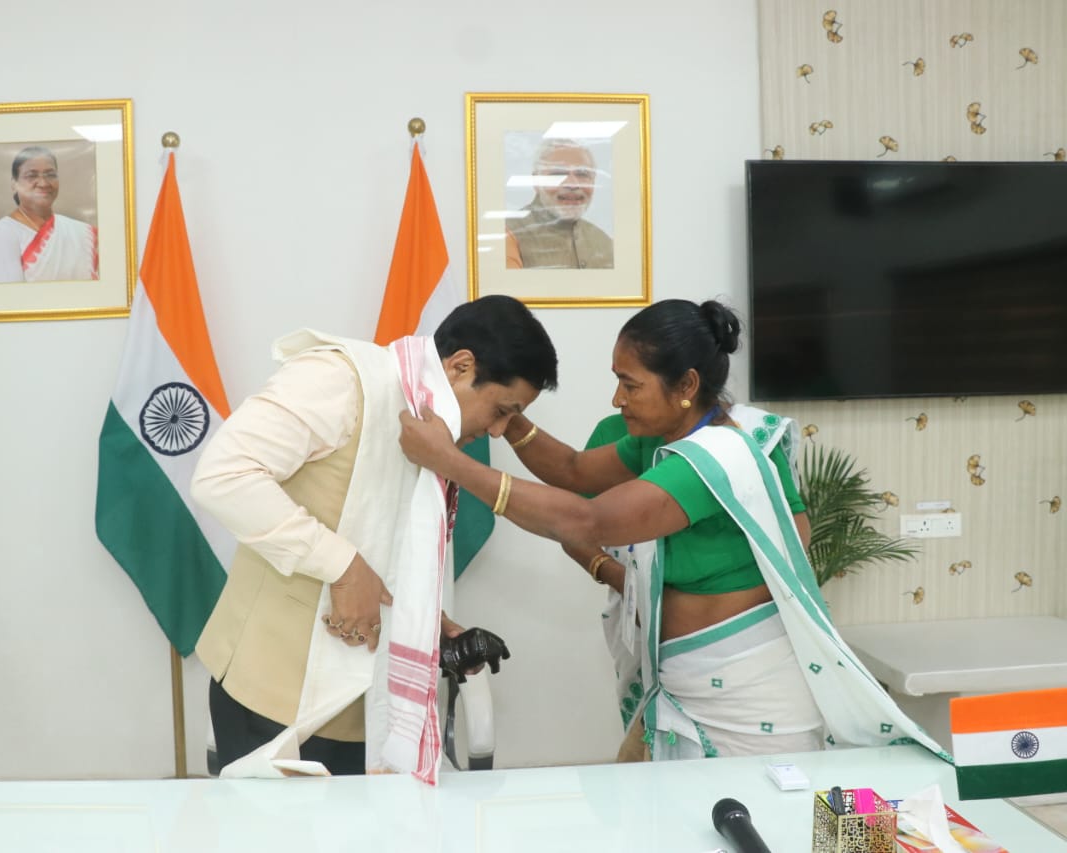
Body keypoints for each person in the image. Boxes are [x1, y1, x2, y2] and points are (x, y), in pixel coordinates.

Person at [399, 298, 947, 762]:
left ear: (685, 384)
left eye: (629, 385)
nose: (617, 400)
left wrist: (450, 460)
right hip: (680, 688)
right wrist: (504, 410)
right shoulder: (664, 440)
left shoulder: (716, 458)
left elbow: (586, 518)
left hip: (751, 703)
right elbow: (571, 472)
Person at [189, 295, 558, 780]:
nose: (496, 431)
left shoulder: (432, 434)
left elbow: (390, 544)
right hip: (273, 700)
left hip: (371, 711)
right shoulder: (338, 380)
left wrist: (429, 619)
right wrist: (342, 567)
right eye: (501, 411)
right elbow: (222, 477)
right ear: (460, 366)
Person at [0, 146, 98, 283]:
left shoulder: (80, 232)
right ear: (14, 184)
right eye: (31, 175)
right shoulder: (6, 231)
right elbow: (11, 297)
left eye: (50, 175)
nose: (43, 183)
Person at [505, 138, 614, 270]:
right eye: (558, 173)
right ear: (536, 182)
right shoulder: (508, 234)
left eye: (582, 174)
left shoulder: (604, 242)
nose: (573, 184)